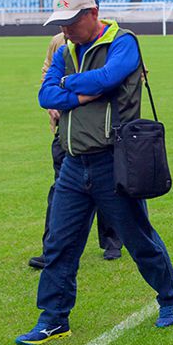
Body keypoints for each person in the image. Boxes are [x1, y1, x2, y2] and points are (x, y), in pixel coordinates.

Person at [17, 0, 173, 345]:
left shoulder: (123, 42)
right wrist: (82, 93)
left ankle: (170, 299)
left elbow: (109, 78)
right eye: (61, 24)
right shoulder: (65, 50)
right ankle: (53, 319)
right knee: (60, 244)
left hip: (113, 161)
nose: (65, 30)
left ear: (92, 14)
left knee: (138, 238)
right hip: (73, 164)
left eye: (71, 22)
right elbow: (45, 94)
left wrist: (68, 85)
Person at [29, 32, 122, 270]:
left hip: (100, 133)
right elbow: (47, 75)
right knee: (60, 189)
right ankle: (51, 249)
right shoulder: (58, 42)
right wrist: (52, 105)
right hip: (66, 133)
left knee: (108, 187)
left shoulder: (112, 42)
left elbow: (128, 77)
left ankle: (112, 241)